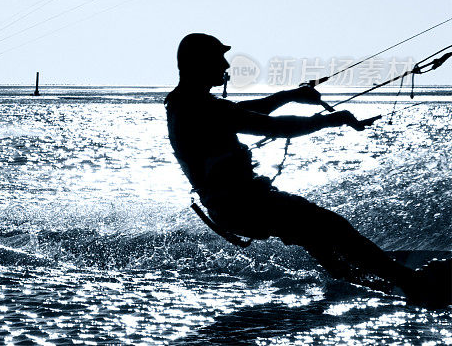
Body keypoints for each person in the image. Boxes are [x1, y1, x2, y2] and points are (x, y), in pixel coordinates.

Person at [165, 33, 449, 306]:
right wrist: (329, 120)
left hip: (231, 206)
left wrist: (291, 95)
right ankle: (412, 285)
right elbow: (273, 127)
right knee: (332, 226)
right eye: (219, 59)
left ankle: (360, 280)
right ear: (199, 63)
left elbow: (248, 109)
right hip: (243, 204)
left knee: (314, 236)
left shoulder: (185, 102)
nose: (226, 66)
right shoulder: (201, 108)